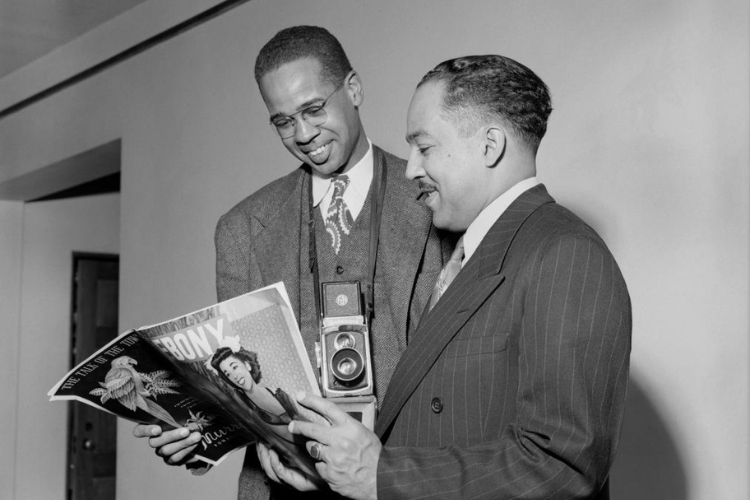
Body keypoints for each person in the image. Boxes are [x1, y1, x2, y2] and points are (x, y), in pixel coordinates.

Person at [263, 54, 632, 500]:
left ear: (490, 146)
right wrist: (328, 470)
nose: (410, 168)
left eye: (425, 146)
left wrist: (381, 475)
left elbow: (560, 466)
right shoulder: (474, 254)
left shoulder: (566, 255)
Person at [133, 25, 450, 499]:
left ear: (354, 89)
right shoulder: (241, 228)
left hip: (407, 483)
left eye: (314, 109)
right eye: (283, 121)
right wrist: (195, 437)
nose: (303, 135)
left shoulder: (438, 202)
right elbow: (240, 382)